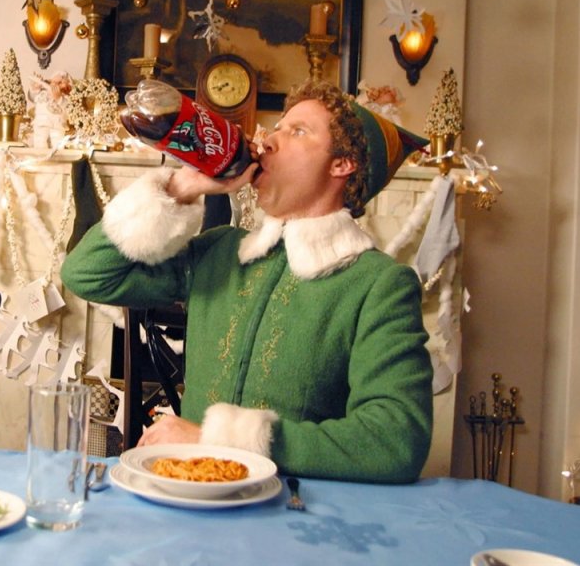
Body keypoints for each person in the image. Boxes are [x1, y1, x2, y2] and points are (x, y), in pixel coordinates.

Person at [61, 81, 433, 483]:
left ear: (342, 164)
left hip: (292, 514)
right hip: (188, 496)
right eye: (276, 128)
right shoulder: (220, 252)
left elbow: (397, 440)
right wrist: (180, 188)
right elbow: (85, 273)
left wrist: (219, 440)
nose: (268, 141)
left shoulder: (378, 284)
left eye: (298, 131)